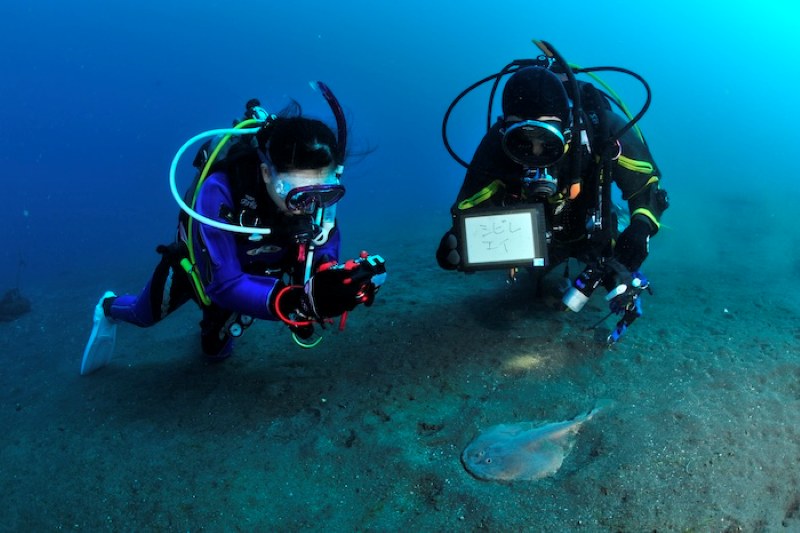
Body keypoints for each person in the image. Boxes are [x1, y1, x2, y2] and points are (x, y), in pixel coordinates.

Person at [81, 83, 387, 375]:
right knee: (143, 314)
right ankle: (107, 307)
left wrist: (332, 278)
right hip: (205, 272)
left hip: (260, 277)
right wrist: (296, 301)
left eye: (324, 190)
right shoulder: (220, 190)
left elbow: (322, 244)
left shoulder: (317, 202)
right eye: (295, 190)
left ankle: (217, 325)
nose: (309, 205)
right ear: (267, 173)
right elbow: (223, 284)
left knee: (216, 353)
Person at [436, 40, 669, 344]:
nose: (535, 152)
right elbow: (470, 205)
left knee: (617, 256)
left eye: (546, 140)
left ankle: (621, 225)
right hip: (535, 241)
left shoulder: (602, 129)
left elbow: (646, 185)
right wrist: (459, 241)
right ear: (506, 129)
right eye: (522, 141)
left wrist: (640, 229)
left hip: (594, 229)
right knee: (532, 281)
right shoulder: (497, 144)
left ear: (568, 127)